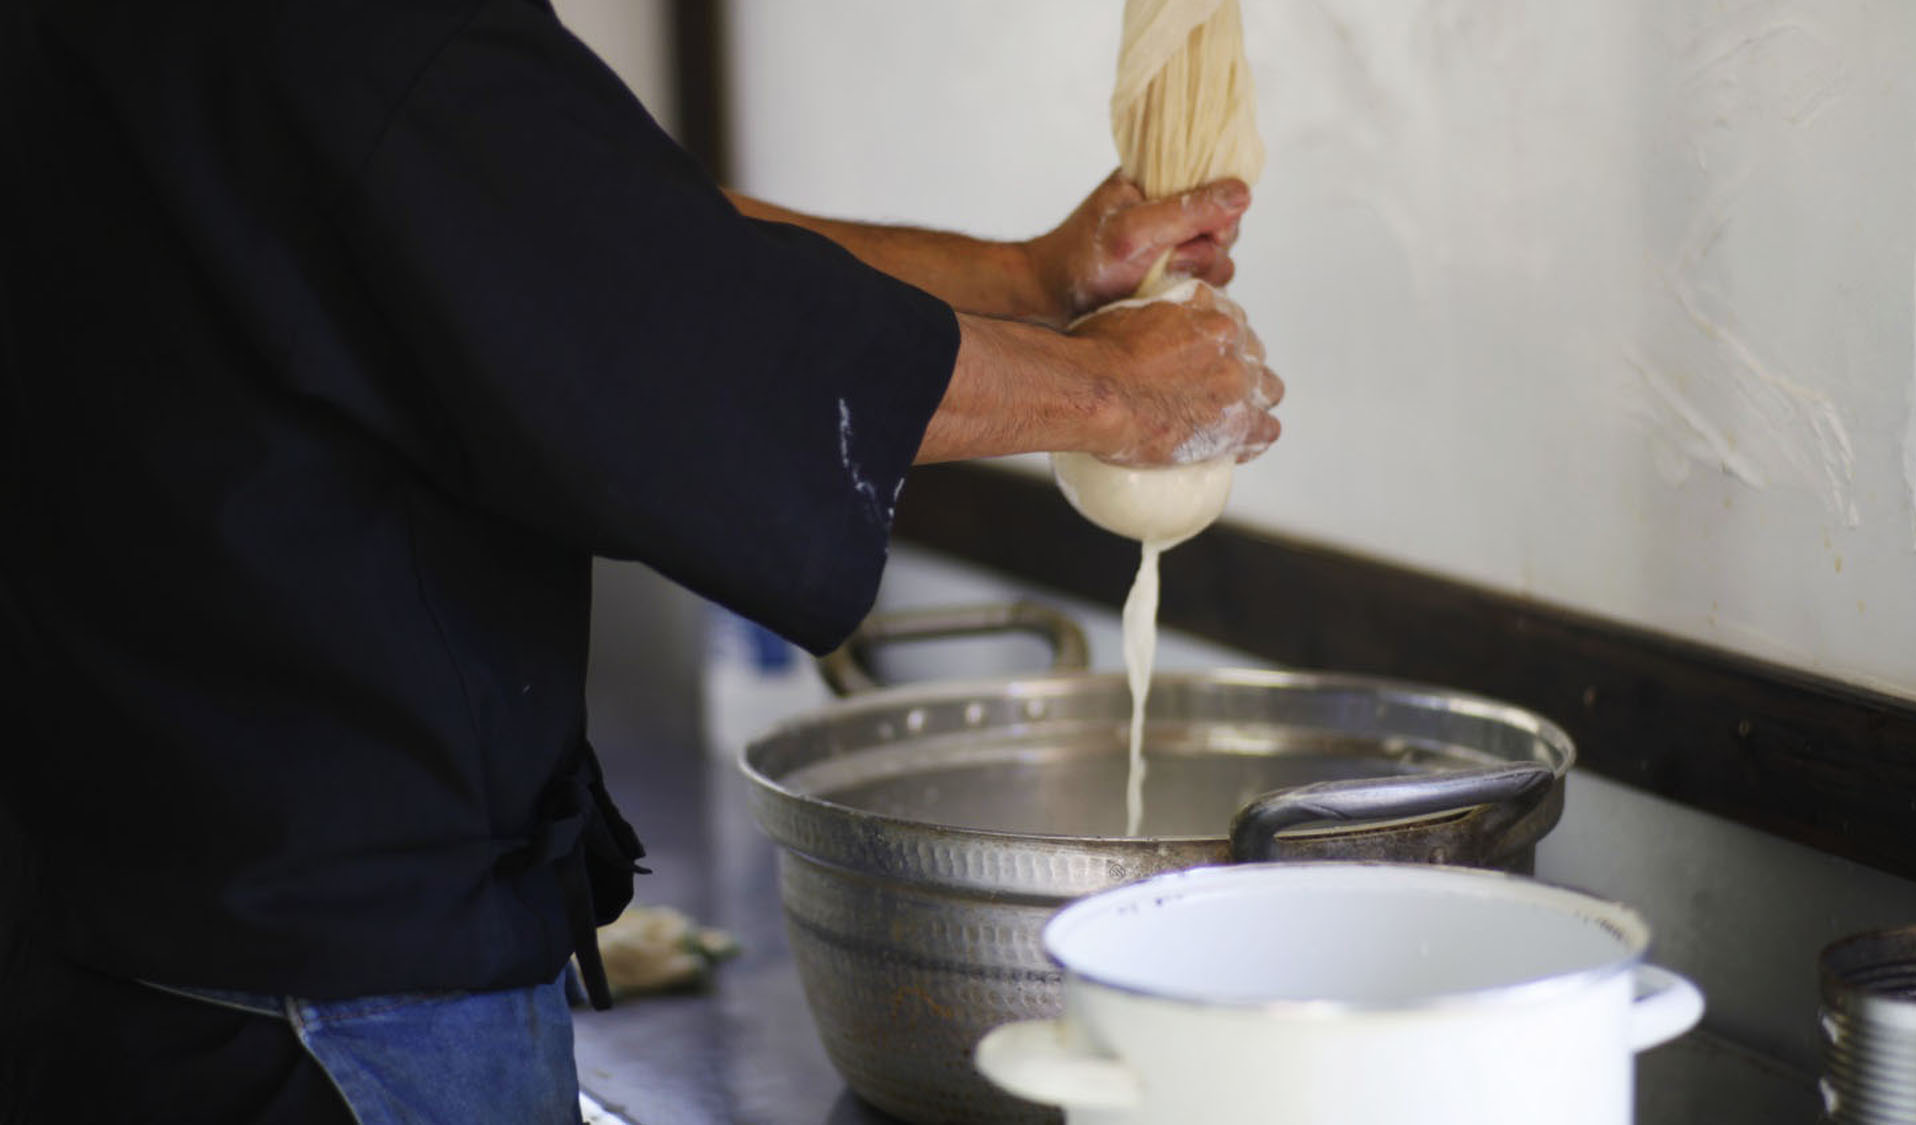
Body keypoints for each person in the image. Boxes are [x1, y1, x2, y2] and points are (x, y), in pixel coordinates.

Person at [0, 1, 1281, 1122]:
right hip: (321, 1000)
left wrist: (1032, 279)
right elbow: (655, 327)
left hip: (139, 918)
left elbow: (601, 231)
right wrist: (1112, 393)